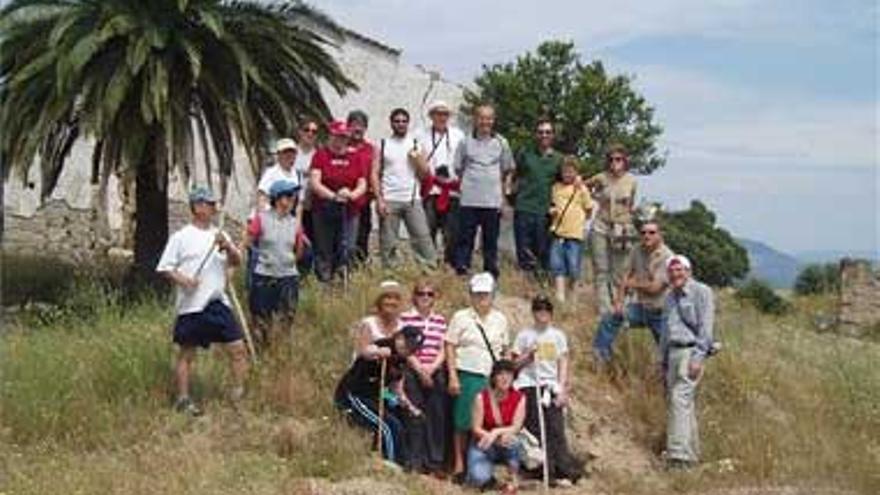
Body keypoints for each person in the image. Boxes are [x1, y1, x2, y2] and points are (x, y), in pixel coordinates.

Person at [156, 186, 248, 416]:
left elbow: (237, 261)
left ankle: (237, 395)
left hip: (217, 302)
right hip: (191, 305)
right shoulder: (181, 237)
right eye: (208, 204)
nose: (213, 208)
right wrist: (184, 280)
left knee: (238, 348)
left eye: (213, 204)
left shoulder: (220, 235)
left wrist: (227, 247)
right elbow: (165, 268)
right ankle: (183, 399)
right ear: (197, 207)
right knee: (187, 353)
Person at [445, 272, 510, 481]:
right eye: (478, 294)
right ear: (471, 295)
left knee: (486, 423)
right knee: (462, 421)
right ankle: (458, 464)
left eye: (486, 294)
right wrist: (453, 376)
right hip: (468, 372)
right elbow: (450, 346)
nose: (482, 298)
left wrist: (506, 376)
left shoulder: (500, 319)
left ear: (493, 295)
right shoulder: (461, 317)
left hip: (490, 376)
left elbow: (505, 349)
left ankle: (482, 465)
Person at [513, 295, 585, 485]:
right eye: (538, 310)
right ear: (533, 312)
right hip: (529, 384)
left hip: (550, 386)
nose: (541, 314)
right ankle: (541, 470)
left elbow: (563, 362)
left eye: (545, 310)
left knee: (555, 428)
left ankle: (562, 469)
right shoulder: (524, 335)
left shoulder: (558, 336)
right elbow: (513, 364)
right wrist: (528, 355)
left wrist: (562, 389)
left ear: (550, 313)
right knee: (535, 430)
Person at [335, 326, 426, 466]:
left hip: (378, 394)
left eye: (412, 349)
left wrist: (410, 407)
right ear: (399, 337)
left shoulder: (401, 360)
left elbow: (396, 390)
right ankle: (389, 463)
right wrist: (378, 352)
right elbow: (365, 352)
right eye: (407, 345)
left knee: (400, 421)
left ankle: (403, 462)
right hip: (355, 395)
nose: (408, 350)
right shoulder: (385, 344)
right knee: (387, 426)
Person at [661, 255, 715, 469]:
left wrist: (699, 356)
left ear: (689, 271)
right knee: (684, 404)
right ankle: (691, 454)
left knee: (678, 399)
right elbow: (666, 331)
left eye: (680, 270)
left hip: (690, 351)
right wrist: (662, 360)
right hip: (673, 353)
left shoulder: (702, 292)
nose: (676, 274)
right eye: (672, 271)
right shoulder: (669, 297)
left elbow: (706, 326)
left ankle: (678, 456)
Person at [593, 220, 673, 363]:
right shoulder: (637, 249)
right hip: (641, 308)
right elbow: (625, 276)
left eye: (651, 232)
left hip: (662, 313)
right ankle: (602, 360)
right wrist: (619, 303)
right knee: (610, 318)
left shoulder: (667, 256)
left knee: (668, 354)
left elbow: (655, 288)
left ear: (660, 235)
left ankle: (668, 380)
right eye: (643, 233)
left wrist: (632, 283)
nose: (646, 236)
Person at [452, 104, 515, 279]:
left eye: (489, 118)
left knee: (490, 240)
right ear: (475, 119)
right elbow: (458, 168)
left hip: (492, 200)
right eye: (482, 118)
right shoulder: (465, 142)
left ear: (493, 120)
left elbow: (508, 169)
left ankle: (490, 271)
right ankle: (462, 268)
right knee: (465, 238)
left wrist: (505, 197)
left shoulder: (502, 142)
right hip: (469, 199)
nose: (485, 122)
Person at [243, 180, 305, 352]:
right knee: (262, 317)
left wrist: (290, 262)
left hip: (288, 275)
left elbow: (299, 249)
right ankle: (262, 350)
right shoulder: (261, 219)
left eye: (293, 196)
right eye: (288, 196)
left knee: (287, 316)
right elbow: (248, 241)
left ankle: (281, 351)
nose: (292, 199)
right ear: (278, 198)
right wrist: (261, 258)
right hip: (264, 274)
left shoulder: (295, 223)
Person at [371, 108, 437, 269]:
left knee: (422, 238)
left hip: (412, 199)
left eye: (403, 121)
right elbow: (374, 173)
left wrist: (418, 160)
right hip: (389, 199)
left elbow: (425, 174)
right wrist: (379, 199)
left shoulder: (415, 143)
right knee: (388, 242)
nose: (400, 124)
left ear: (408, 123)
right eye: (397, 121)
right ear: (391, 123)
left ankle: (428, 273)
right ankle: (390, 276)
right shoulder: (383, 144)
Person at [400, 279, 450, 475]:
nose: (425, 298)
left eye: (430, 294)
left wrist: (432, 368)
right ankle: (415, 459)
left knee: (436, 414)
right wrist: (420, 369)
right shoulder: (405, 319)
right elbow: (404, 348)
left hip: (435, 369)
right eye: (421, 293)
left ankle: (435, 461)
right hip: (412, 368)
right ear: (414, 296)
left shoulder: (440, 320)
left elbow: (443, 348)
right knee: (415, 413)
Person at [309, 120, 369, 283]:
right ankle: (325, 281)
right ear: (330, 135)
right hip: (325, 209)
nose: (340, 140)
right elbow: (315, 182)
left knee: (348, 247)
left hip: (350, 210)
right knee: (325, 248)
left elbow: (362, 183)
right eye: (337, 136)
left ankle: (344, 279)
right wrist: (333, 196)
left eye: (344, 137)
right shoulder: (320, 155)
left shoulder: (355, 156)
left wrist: (352, 195)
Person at [587, 144, 638, 316]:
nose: (614, 163)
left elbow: (631, 204)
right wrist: (595, 198)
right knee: (601, 269)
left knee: (620, 270)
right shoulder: (601, 177)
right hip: (601, 225)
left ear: (625, 161)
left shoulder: (631, 180)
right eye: (611, 159)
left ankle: (619, 308)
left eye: (618, 159)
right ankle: (604, 310)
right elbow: (583, 186)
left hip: (622, 228)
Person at [415, 100, 465, 265]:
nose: (442, 117)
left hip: (453, 191)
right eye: (438, 113)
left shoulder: (458, 135)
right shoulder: (420, 134)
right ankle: (427, 264)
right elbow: (416, 158)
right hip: (431, 190)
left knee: (452, 233)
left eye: (445, 114)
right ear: (431, 116)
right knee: (427, 230)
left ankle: (449, 265)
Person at [510, 118, 562, 275]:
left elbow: (564, 182)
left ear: (553, 135)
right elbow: (512, 175)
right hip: (523, 207)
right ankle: (525, 286)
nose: (544, 135)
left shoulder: (559, 159)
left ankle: (542, 287)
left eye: (548, 132)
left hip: (544, 211)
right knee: (523, 251)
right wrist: (508, 197)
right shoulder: (525, 153)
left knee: (542, 251)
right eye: (540, 132)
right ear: (535, 134)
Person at [468, 359, 525, 493]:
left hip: (506, 441)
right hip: (484, 443)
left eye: (509, 374)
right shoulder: (481, 397)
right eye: (501, 374)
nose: (505, 378)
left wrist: (496, 432)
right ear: (494, 377)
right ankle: (490, 477)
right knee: (479, 478)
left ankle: (513, 477)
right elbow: (476, 428)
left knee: (514, 441)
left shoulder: (519, 397)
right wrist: (492, 437)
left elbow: (516, 426)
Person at [548, 156, 593, 303]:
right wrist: (552, 211)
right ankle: (560, 296)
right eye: (565, 171)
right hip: (558, 231)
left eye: (571, 172)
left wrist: (579, 221)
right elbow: (552, 204)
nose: (567, 174)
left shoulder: (581, 188)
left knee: (573, 267)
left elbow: (589, 209)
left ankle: (573, 296)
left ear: (576, 172)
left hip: (575, 234)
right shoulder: (555, 188)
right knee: (557, 265)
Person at [347, 110, 376, 263]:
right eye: (354, 125)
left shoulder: (371, 149)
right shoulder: (341, 146)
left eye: (361, 125)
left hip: (364, 202)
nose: (358, 129)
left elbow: (376, 172)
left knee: (362, 236)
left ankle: (359, 271)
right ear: (348, 127)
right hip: (344, 201)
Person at [353, 280, 406, 359]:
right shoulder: (369, 324)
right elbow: (362, 351)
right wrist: (377, 352)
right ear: (380, 301)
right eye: (388, 298)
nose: (392, 302)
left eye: (396, 298)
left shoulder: (402, 326)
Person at [294, 119, 320, 275]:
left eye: (314, 131)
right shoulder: (291, 153)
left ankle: (306, 276)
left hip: (311, 207)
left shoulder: (319, 155)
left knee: (310, 243)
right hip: (291, 206)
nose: (310, 133)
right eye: (307, 129)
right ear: (299, 132)